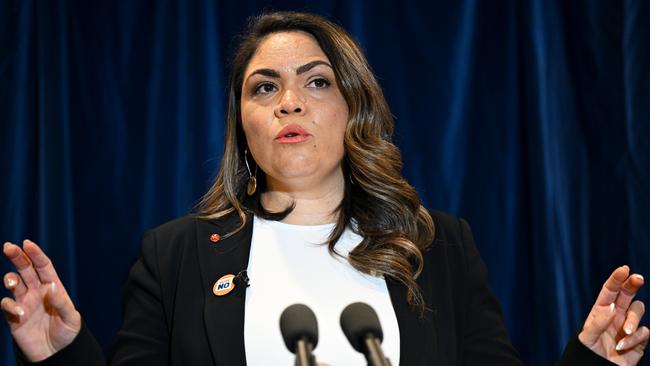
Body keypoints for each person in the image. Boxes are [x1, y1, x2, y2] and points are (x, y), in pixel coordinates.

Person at [2, 11, 648, 366]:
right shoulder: (175, 257)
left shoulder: (438, 246)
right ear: (243, 124)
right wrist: (63, 359)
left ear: (353, 109)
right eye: (264, 87)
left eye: (316, 82)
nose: (289, 103)